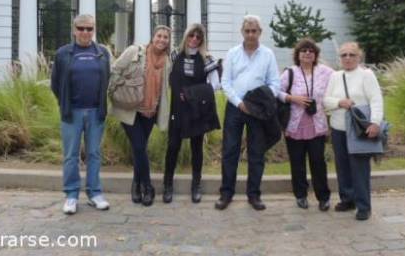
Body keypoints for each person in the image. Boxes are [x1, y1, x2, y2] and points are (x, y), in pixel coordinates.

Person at [216, 15, 281, 211]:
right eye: (247, 31)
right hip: (236, 107)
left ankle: (254, 195)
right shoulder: (233, 53)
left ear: (260, 32)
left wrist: (262, 102)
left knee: (256, 152)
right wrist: (239, 102)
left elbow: (275, 83)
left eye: (254, 31)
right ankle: (226, 194)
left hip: (258, 110)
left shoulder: (268, 54)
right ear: (242, 32)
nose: (251, 34)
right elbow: (225, 82)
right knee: (230, 151)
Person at [51, 14, 111, 215]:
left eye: (89, 29)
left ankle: (95, 193)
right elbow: (55, 84)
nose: (85, 32)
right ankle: (71, 195)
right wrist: (66, 102)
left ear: (94, 30)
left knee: (94, 154)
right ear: (74, 30)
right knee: (71, 155)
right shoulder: (63, 53)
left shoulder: (102, 53)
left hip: (96, 112)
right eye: (81, 28)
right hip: (72, 113)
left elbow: (107, 81)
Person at [109, 25, 171, 207]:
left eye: (165, 37)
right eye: (159, 36)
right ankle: (148, 186)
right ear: (153, 37)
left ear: (168, 41)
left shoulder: (168, 60)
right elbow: (115, 69)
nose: (162, 39)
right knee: (138, 145)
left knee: (140, 149)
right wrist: (122, 86)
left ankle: (136, 184)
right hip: (130, 108)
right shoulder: (135, 52)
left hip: (150, 111)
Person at [323, 42, 383, 221]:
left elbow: (376, 100)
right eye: (344, 55)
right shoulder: (335, 76)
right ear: (339, 58)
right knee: (342, 166)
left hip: (358, 129)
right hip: (338, 128)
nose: (347, 58)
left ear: (359, 57)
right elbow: (326, 100)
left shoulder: (366, 75)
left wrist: (375, 123)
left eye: (351, 54)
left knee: (360, 168)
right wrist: (339, 102)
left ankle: (364, 205)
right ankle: (347, 199)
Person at [162, 23, 221, 204]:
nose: (194, 39)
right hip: (177, 109)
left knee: (197, 149)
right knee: (173, 147)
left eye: (198, 37)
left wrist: (193, 93)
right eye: (191, 35)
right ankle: (167, 185)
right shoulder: (174, 56)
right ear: (186, 36)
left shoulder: (207, 59)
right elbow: (165, 79)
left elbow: (216, 85)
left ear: (202, 40)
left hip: (197, 110)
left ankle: (196, 185)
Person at [278, 38, 333, 211]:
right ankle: (300, 195)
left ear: (315, 54)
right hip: (294, 126)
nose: (307, 53)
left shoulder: (324, 71)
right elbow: (275, 91)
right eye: (304, 50)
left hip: (317, 125)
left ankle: (323, 197)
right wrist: (291, 98)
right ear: (298, 55)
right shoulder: (290, 73)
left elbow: (341, 77)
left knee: (318, 162)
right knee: (297, 162)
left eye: (311, 50)